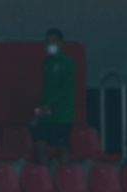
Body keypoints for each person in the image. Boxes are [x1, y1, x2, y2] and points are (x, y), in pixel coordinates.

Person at [32, 29, 78, 163]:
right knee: (40, 144)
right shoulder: (46, 63)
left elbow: (65, 91)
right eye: (47, 42)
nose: (50, 45)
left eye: (53, 41)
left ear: (61, 43)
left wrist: (48, 106)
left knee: (62, 148)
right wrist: (40, 110)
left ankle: (65, 177)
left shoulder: (68, 63)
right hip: (46, 115)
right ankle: (44, 177)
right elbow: (46, 91)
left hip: (62, 115)